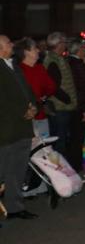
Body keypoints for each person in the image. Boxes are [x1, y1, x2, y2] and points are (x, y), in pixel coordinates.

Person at [0, 34, 38, 220]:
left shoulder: (14, 65)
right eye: (8, 42)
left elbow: (27, 90)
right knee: (3, 169)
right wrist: (23, 110)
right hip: (7, 128)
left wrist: (33, 106)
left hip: (23, 127)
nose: (12, 44)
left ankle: (14, 207)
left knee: (18, 169)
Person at [43, 32, 78, 157]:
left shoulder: (58, 59)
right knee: (59, 142)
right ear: (59, 44)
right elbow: (53, 86)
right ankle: (59, 172)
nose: (66, 45)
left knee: (60, 140)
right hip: (60, 108)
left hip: (61, 107)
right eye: (64, 42)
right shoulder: (53, 61)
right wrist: (67, 99)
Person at [15, 37, 56, 138]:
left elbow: (52, 86)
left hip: (41, 115)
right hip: (25, 117)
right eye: (34, 48)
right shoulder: (17, 70)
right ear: (26, 52)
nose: (38, 50)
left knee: (45, 147)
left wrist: (44, 97)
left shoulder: (40, 68)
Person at [67, 38, 85, 175]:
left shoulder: (74, 63)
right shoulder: (77, 64)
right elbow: (82, 87)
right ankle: (77, 169)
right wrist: (84, 109)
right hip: (80, 107)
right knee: (78, 140)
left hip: (77, 106)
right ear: (79, 50)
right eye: (84, 48)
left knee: (78, 139)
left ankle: (80, 167)